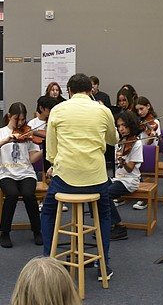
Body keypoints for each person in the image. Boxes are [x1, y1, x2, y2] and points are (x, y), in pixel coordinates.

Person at [41, 74, 119, 278]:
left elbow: (51, 149)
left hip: (65, 179)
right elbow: (113, 139)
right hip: (95, 178)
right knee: (104, 214)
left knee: (48, 211)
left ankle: (48, 260)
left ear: (69, 90)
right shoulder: (102, 110)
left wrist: (54, 164)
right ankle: (104, 265)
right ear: (91, 90)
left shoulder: (58, 110)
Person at [0, 102, 44, 248]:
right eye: (16, 119)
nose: (19, 123)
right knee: (11, 195)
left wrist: (44, 150)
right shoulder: (0, 132)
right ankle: (5, 232)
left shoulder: (28, 133)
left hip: (27, 173)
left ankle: (37, 230)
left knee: (29, 195)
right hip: (6, 174)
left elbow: (32, 159)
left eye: (22, 120)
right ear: (9, 116)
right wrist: (4, 141)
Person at [108, 111, 144, 240]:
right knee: (96, 188)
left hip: (129, 181)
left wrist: (122, 160)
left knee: (105, 194)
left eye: (124, 125)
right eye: (118, 126)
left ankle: (119, 226)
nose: (121, 129)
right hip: (118, 178)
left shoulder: (136, 143)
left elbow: (130, 169)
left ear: (131, 125)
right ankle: (106, 222)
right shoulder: (119, 142)